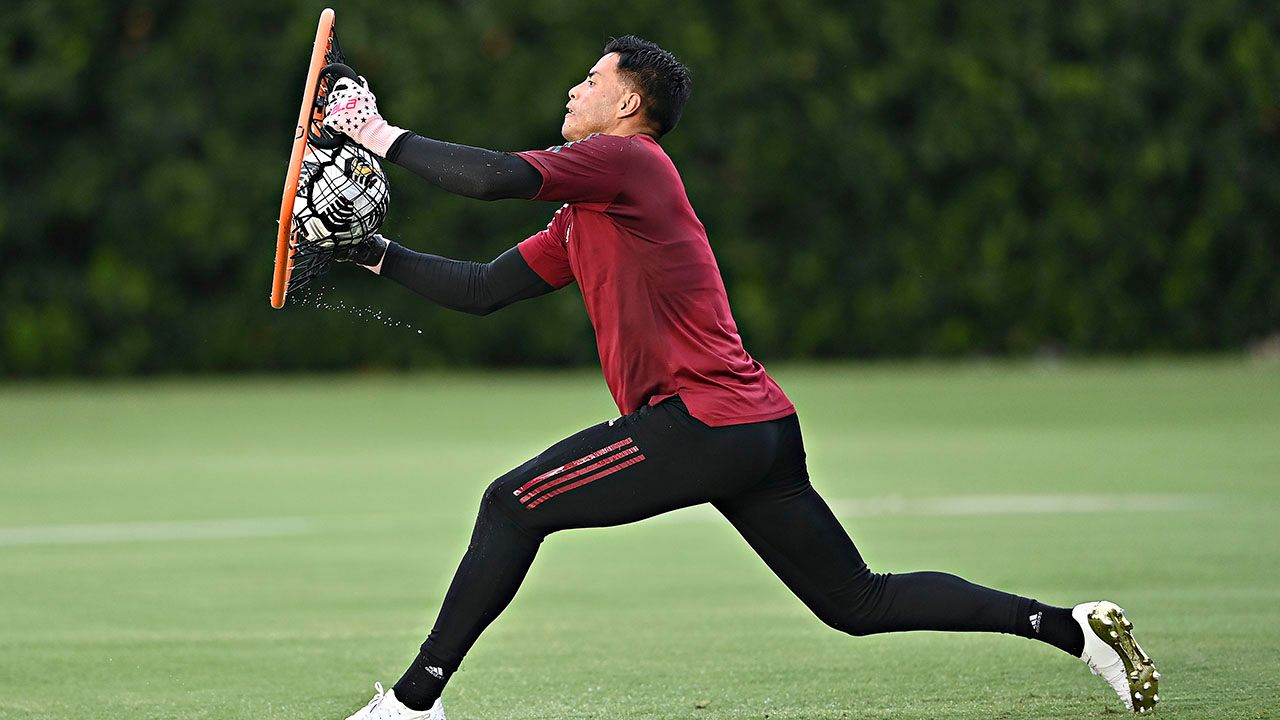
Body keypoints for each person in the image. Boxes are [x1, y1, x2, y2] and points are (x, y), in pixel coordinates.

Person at [319, 36, 1160, 720]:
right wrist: (369, 252)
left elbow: (495, 177)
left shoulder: (629, 163)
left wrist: (373, 130)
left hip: (704, 423)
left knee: (513, 503)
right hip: (757, 428)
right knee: (856, 603)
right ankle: (1070, 629)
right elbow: (481, 290)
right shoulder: (586, 212)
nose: (574, 89)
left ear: (629, 104)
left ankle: (414, 702)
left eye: (591, 77)